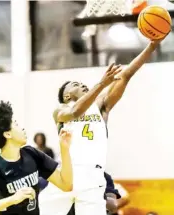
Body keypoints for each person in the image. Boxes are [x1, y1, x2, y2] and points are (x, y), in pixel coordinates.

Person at [40, 38, 166, 215]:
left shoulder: (100, 106)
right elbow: (76, 111)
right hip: (67, 174)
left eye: (83, 84)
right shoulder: (61, 110)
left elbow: (126, 74)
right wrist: (102, 84)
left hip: (93, 177)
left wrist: (151, 46)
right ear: (67, 96)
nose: (82, 85)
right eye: (76, 85)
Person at [0, 101, 73, 215]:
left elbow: (66, 185)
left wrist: (64, 149)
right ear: (7, 134)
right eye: (16, 124)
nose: (22, 128)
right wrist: (12, 199)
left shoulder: (32, 154)